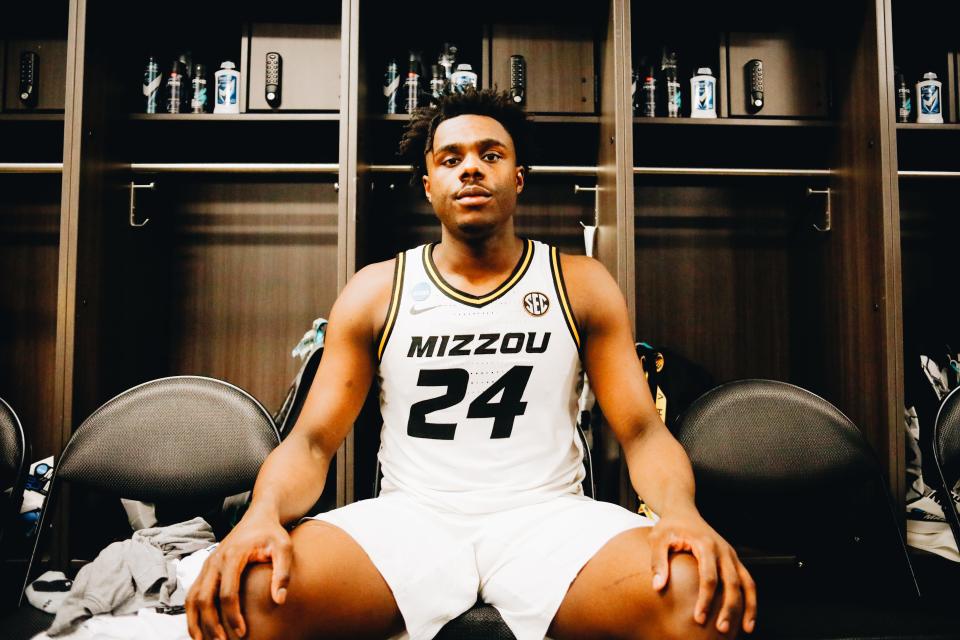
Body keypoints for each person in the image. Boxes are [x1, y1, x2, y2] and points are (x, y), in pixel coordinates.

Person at [185, 88, 757, 640]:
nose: (472, 169)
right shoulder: (376, 290)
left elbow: (638, 430)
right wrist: (261, 516)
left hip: (551, 519)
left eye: (491, 154)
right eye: (451, 158)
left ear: (519, 177)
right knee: (250, 599)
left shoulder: (580, 282)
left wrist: (680, 514)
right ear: (428, 184)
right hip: (412, 520)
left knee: (698, 602)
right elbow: (312, 441)